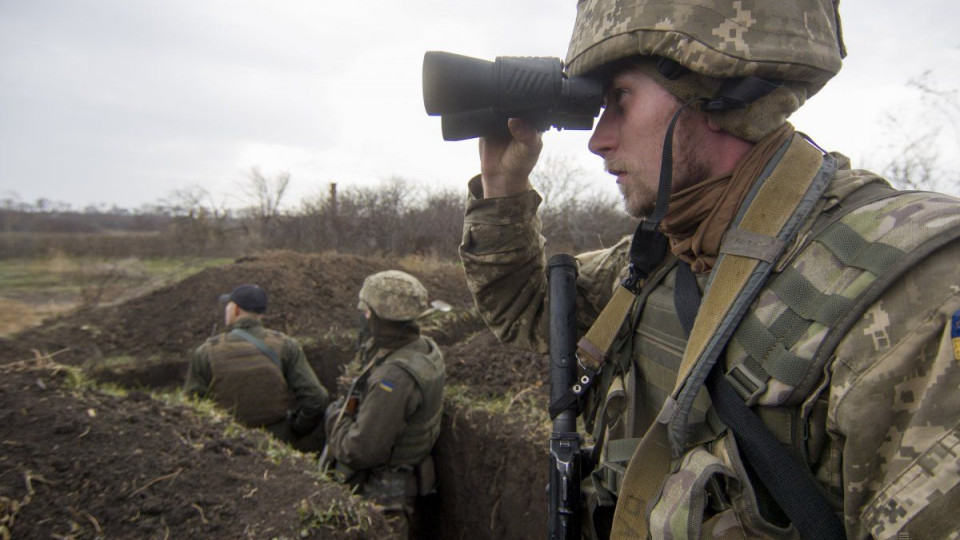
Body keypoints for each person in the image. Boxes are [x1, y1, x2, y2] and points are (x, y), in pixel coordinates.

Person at [458, 1, 960, 539]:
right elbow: (528, 312)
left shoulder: (912, 290)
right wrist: (502, 188)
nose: (598, 139)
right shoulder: (659, 259)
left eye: (619, 100)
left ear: (716, 94)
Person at [323, 270, 445, 540]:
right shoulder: (421, 347)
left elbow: (362, 450)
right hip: (400, 484)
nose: (364, 318)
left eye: (368, 312)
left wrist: (335, 420)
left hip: (382, 499)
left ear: (382, 317)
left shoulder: (393, 379)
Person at [184, 284, 329, 451]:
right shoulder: (285, 345)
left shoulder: (206, 352)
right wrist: (293, 431)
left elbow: (191, 409)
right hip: (276, 447)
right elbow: (316, 398)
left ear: (236, 309)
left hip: (223, 448)